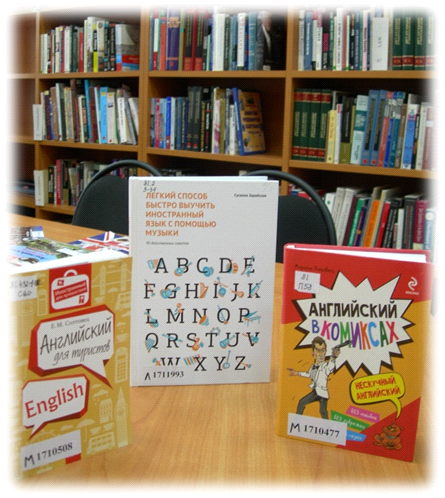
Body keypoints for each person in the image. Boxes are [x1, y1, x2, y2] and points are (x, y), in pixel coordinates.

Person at [288, 336, 341, 419]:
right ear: (313, 352)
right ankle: (296, 421)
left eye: (322, 350)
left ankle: (327, 425)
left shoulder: (325, 366)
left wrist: (333, 357)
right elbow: (308, 374)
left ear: (325, 352)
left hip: (322, 393)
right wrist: (297, 373)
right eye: (317, 350)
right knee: (302, 402)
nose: (320, 353)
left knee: (322, 411)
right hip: (316, 392)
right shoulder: (313, 366)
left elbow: (330, 368)